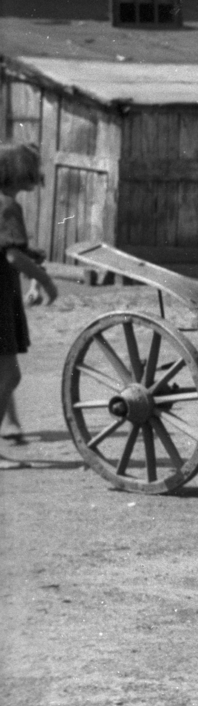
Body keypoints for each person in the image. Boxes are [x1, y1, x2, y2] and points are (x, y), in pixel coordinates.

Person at [0, 142, 58, 470]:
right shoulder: (8, 206)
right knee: (8, 374)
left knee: (6, 374)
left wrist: (30, 257)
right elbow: (12, 255)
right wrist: (46, 281)